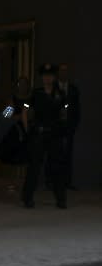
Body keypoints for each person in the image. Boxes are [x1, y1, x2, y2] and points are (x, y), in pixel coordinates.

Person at [22, 63, 67, 209]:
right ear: (42, 77)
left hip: (54, 134)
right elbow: (25, 109)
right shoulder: (36, 93)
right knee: (34, 167)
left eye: (50, 75)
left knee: (57, 167)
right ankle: (27, 198)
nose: (47, 78)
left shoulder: (59, 93)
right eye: (45, 75)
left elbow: (65, 111)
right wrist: (27, 129)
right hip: (39, 134)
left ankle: (61, 199)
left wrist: (62, 127)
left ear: (54, 77)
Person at [56, 62, 80, 190]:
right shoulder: (52, 89)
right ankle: (53, 182)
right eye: (61, 71)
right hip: (54, 128)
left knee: (67, 155)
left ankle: (66, 182)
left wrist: (74, 125)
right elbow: (7, 113)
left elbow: (77, 110)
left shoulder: (73, 89)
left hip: (69, 127)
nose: (63, 74)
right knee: (54, 155)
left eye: (66, 71)